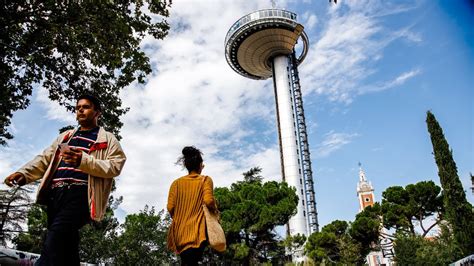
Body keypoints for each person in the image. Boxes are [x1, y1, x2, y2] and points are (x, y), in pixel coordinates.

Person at [4, 94, 126, 265]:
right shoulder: (65, 137)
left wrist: (82, 161)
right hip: (56, 195)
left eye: (86, 107)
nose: (80, 110)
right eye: (78, 108)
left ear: (97, 112)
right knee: (67, 248)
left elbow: (115, 166)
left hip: (81, 194)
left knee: (55, 238)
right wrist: (24, 173)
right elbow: (44, 159)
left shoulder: (107, 139)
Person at [167, 146, 217, 265]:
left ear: (186, 165)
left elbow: (170, 207)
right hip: (197, 233)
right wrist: (215, 208)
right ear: (200, 165)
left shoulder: (176, 183)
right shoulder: (205, 180)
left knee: (187, 262)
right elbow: (209, 201)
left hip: (179, 234)